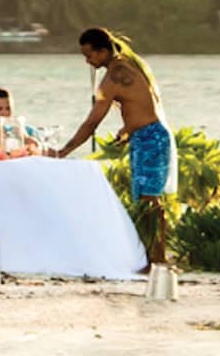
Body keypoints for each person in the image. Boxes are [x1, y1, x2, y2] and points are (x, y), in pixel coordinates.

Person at [50, 27, 174, 269]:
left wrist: (64, 151)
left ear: (103, 51)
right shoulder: (129, 63)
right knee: (148, 200)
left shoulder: (112, 77)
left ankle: (156, 259)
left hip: (150, 138)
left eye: (89, 55)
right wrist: (128, 129)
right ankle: (154, 257)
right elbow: (142, 102)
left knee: (149, 201)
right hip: (147, 136)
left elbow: (92, 122)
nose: (87, 60)